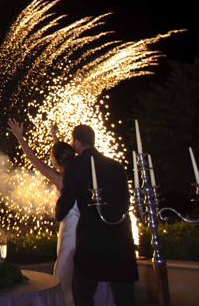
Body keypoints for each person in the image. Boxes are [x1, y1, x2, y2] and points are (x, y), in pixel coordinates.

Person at [7, 119, 114, 306]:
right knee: (91, 267)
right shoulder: (80, 170)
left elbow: (33, 159)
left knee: (67, 267)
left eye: (52, 157)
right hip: (89, 227)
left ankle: (67, 301)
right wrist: (55, 137)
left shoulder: (59, 177)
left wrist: (19, 137)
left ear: (55, 160)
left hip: (71, 230)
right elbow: (64, 154)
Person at [56, 124, 137, 306]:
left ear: (76, 142)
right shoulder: (115, 165)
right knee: (123, 293)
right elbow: (126, 200)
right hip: (120, 235)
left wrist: (58, 213)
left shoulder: (75, 165)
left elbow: (67, 197)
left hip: (93, 236)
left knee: (82, 291)